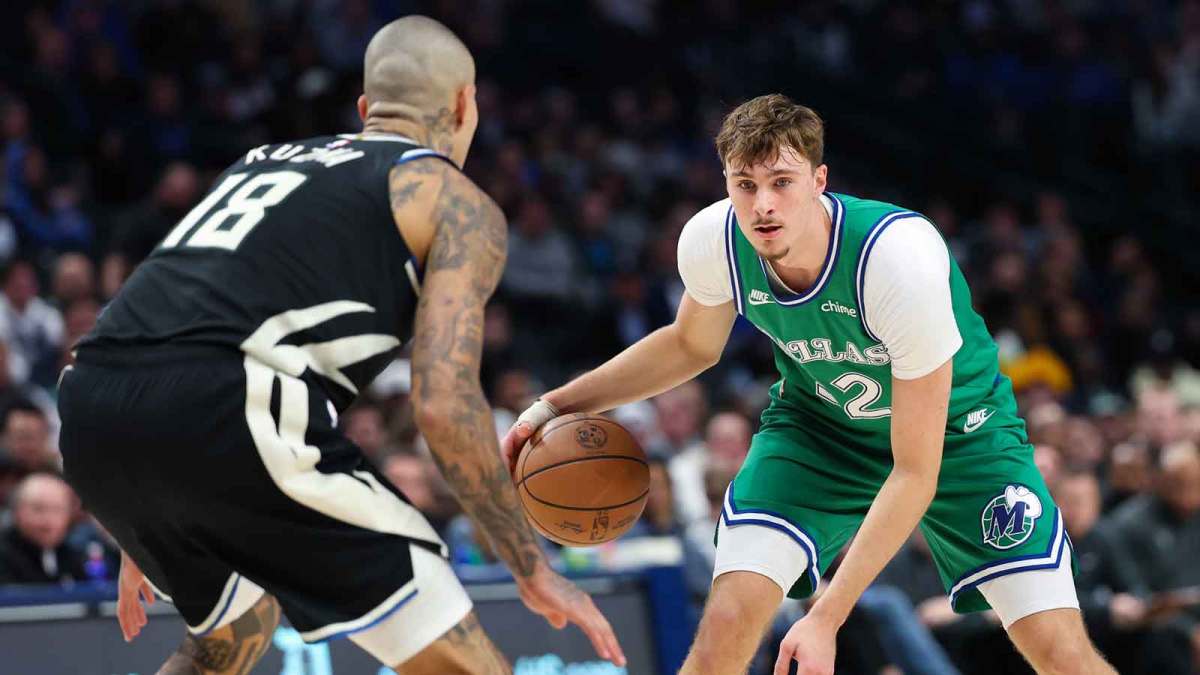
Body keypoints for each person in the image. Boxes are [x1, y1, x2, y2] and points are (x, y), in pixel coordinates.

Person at [57, 16, 622, 675]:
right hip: (227, 410)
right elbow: (442, 401)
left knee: (230, 634)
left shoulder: (261, 162)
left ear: (364, 111)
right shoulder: (454, 201)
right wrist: (533, 566)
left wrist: (141, 514)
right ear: (466, 104)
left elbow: (170, 310)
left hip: (95, 405)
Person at [503, 94, 1111, 674]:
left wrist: (826, 616)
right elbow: (690, 344)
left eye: (781, 182)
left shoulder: (897, 259)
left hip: (958, 438)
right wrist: (553, 404)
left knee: (1058, 651)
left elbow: (914, 472)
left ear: (820, 181)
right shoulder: (715, 240)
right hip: (819, 428)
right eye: (746, 185)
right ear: (726, 186)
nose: (762, 203)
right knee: (726, 625)